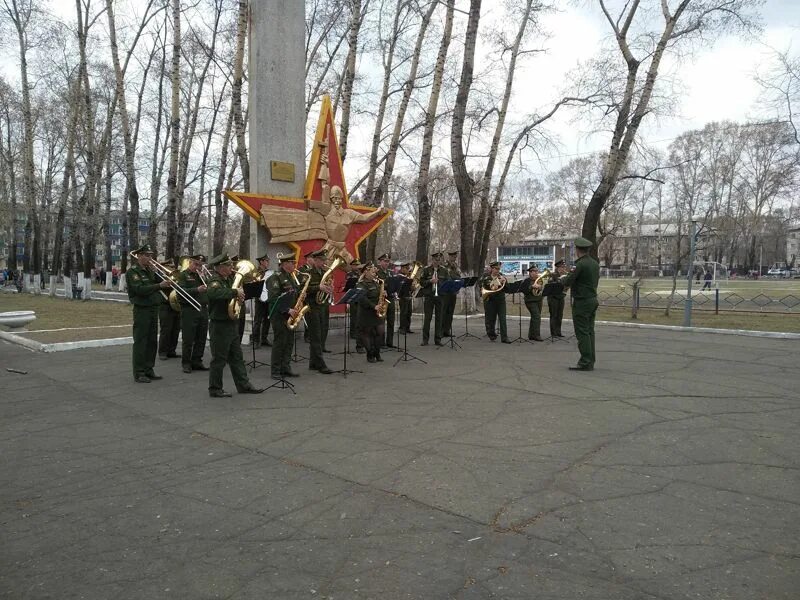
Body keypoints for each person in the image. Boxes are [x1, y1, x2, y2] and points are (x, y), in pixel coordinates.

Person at [205, 253, 264, 396]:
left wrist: (242, 294)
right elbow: (214, 294)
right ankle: (215, 388)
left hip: (231, 323)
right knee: (219, 359)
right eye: (228, 265)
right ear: (220, 267)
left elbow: (237, 293)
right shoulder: (215, 280)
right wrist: (234, 291)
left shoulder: (230, 278)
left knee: (237, 357)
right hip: (219, 325)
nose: (232, 267)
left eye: (231, 265)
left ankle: (244, 385)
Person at [126, 244, 171, 383]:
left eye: (151, 255)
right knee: (141, 341)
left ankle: (148, 369)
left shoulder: (150, 270)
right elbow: (140, 289)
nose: (150, 258)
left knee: (152, 341)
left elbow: (164, 282)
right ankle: (139, 372)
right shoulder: (133, 272)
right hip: (142, 309)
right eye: (146, 255)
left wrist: (158, 272)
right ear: (139, 256)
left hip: (153, 308)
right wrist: (159, 286)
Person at [560, 237, 600, 371]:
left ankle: (585, 362)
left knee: (582, 332)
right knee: (589, 331)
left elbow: (568, 281)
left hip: (582, 302)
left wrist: (561, 279)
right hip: (592, 299)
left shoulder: (580, 264)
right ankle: (590, 360)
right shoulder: (594, 263)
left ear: (578, 250)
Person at [265, 252, 302, 380]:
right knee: (280, 342)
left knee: (289, 342)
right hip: (279, 315)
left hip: (290, 314)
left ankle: (285, 367)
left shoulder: (290, 276)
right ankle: (275, 370)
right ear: (285, 264)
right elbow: (273, 298)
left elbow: (293, 292)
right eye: (293, 263)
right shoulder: (275, 278)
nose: (295, 265)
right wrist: (287, 309)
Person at [299, 249, 334, 374]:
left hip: (323, 306)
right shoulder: (308, 273)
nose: (324, 263)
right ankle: (320, 364)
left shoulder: (324, 272)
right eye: (322, 260)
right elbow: (303, 288)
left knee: (321, 334)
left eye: (325, 260)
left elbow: (326, 287)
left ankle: (313, 363)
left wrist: (329, 288)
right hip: (312, 307)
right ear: (315, 260)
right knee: (316, 336)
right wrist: (318, 287)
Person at [176, 254, 209, 373]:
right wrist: (196, 290)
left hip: (203, 309)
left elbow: (209, 288)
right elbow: (180, 291)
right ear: (190, 262)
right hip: (189, 310)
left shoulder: (202, 275)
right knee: (188, 338)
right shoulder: (183, 275)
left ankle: (197, 361)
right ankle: (186, 363)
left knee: (201, 337)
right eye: (196, 264)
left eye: (200, 265)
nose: (198, 267)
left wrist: (204, 278)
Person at [356, 262, 387, 362]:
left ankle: (376, 352)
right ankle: (370, 354)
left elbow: (379, 294)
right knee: (366, 333)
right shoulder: (361, 284)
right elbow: (362, 299)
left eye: (374, 271)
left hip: (377, 311)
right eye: (372, 271)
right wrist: (374, 306)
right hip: (366, 312)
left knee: (380, 332)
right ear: (365, 272)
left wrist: (383, 293)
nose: (374, 273)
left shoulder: (376, 282)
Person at [419, 252, 449, 346]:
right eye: (436, 260)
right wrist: (430, 281)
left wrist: (439, 284)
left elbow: (447, 282)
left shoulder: (444, 270)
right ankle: (425, 339)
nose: (437, 262)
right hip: (429, 296)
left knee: (439, 318)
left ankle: (438, 339)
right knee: (428, 318)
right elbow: (421, 282)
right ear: (432, 260)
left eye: (439, 260)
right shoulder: (427, 270)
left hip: (440, 296)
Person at [479, 261, 511, 343]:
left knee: (502, 318)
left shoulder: (501, 277)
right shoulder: (486, 277)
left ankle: (504, 337)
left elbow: (507, 289)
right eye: (496, 269)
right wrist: (498, 282)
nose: (498, 271)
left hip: (500, 300)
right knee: (490, 319)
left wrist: (505, 282)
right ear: (491, 269)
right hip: (490, 300)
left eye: (499, 269)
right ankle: (491, 334)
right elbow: (490, 286)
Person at [157, 258, 181, 360]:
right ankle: (162, 352)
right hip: (165, 306)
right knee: (166, 330)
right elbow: (163, 287)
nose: (172, 269)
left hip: (176, 306)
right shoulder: (159, 277)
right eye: (169, 267)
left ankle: (171, 350)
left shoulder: (175, 277)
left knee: (175, 329)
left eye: (172, 267)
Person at [252, 253, 272, 348]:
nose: (268, 262)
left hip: (268, 298)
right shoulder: (256, 272)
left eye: (268, 261)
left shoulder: (269, 272)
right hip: (259, 299)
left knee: (267, 319)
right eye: (266, 261)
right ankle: (256, 340)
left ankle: (264, 339)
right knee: (258, 320)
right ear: (261, 262)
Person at [376, 253, 396, 347]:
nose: (387, 263)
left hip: (390, 298)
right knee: (381, 321)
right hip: (382, 298)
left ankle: (390, 342)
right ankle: (380, 342)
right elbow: (376, 284)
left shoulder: (390, 272)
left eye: (388, 261)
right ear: (380, 262)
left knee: (391, 321)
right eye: (385, 261)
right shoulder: (376, 272)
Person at [521, 264, 544, 341]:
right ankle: (537, 335)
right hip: (530, 301)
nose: (536, 273)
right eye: (534, 271)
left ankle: (531, 335)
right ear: (530, 272)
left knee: (535, 317)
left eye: (537, 271)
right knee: (537, 316)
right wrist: (532, 287)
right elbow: (525, 291)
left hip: (538, 300)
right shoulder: (526, 281)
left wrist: (540, 287)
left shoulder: (539, 279)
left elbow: (540, 289)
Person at [442, 250, 461, 337]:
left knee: (450, 312)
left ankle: (447, 330)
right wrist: (456, 274)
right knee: (444, 311)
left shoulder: (456, 265)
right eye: (453, 257)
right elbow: (449, 276)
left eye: (455, 257)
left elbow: (458, 276)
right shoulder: (445, 265)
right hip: (446, 292)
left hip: (453, 291)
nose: (455, 258)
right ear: (449, 257)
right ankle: (441, 331)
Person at [547, 260, 567, 337]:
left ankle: (558, 332)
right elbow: (550, 286)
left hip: (561, 297)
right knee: (554, 315)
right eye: (562, 267)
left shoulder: (564, 275)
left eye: (564, 267)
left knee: (560, 315)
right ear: (558, 267)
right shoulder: (553, 275)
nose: (563, 268)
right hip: (553, 298)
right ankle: (553, 333)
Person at [397, 261, 414, 334]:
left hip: (409, 296)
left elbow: (410, 287)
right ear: (402, 268)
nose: (407, 270)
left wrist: (413, 287)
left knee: (409, 312)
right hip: (403, 296)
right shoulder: (399, 276)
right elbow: (400, 287)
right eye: (406, 268)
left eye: (408, 268)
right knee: (404, 312)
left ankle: (407, 327)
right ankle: (402, 328)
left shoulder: (408, 277)